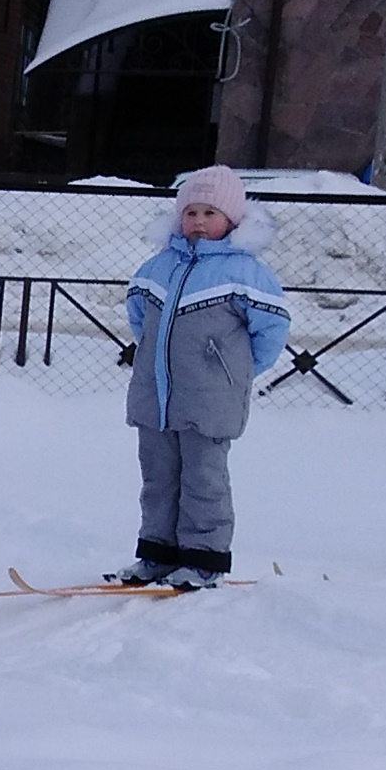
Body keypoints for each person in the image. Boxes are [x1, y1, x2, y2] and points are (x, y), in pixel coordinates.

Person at [117, 162, 289, 587]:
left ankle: (204, 556)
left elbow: (270, 332)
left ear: (231, 220)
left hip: (211, 399)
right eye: (191, 212)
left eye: (209, 213)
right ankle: (158, 552)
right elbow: (140, 317)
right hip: (156, 397)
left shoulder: (244, 273)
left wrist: (234, 371)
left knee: (203, 480)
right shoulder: (158, 267)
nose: (198, 221)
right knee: (158, 479)